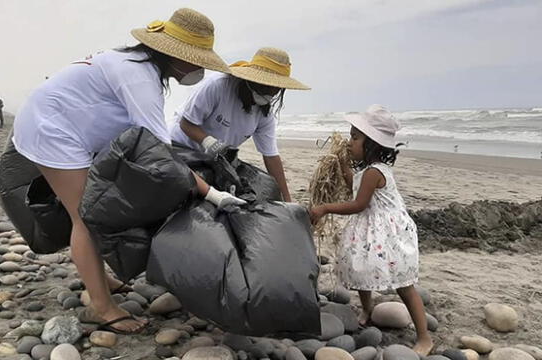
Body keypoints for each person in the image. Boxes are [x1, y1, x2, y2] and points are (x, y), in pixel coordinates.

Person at [9, 8, 244, 335]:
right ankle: (101, 307)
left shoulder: (138, 65)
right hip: (52, 130)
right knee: (86, 217)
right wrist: (212, 194)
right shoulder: (140, 78)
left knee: (87, 205)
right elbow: (162, 157)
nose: (201, 67)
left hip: (69, 125)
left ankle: (97, 277)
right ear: (176, 55)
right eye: (199, 59)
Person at [309, 105, 433, 355]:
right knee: (361, 269)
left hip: (387, 233)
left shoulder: (374, 172)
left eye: (355, 138)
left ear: (373, 144)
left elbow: (358, 204)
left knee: (404, 285)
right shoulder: (366, 171)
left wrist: (324, 208)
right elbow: (352, 184)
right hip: (372, 230)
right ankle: (367, 310)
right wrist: (343, 164)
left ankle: (424, 338)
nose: (350, 143)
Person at [170, 47, 310, 202]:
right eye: (264, 87)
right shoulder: (218, 85)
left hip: (214, 159)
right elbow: (186, 124)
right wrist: (209, 142)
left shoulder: (264, 113)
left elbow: (271, 156)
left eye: (275, 89)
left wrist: (287, 201)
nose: (269, 93)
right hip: (180, 147)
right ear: (251, 79)